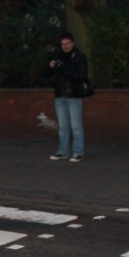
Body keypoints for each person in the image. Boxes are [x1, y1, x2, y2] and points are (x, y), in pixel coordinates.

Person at [47, 31, 88, 162]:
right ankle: (63, 151)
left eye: (67, 43)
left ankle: (78, 152)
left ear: (73, 43)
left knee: (76, 126)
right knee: (62, 126)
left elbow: (82, 75)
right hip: (60, 96)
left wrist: (66, 69)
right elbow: (49, 76)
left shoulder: (80, 57)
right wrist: (51, 67)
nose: (65, 46)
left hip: (74, 95)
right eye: (63, 44)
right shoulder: (59, 57)